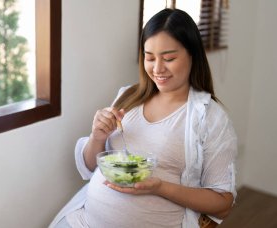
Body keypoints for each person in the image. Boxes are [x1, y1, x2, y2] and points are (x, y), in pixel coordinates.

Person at [49, 8, 237, 228]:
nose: (157, 69)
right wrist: (97, 136)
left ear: (193, 55)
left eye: (169, 58)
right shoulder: (128, 96)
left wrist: (160, 187)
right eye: (149, 58)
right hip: (84, 221)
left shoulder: (211, 118)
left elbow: (223, 202)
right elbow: (91, 166)